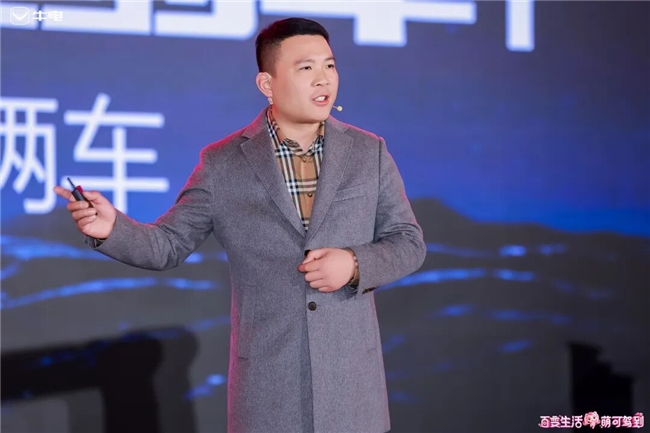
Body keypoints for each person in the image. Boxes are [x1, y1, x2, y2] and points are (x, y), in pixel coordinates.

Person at [54, 17, 426, 433]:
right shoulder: (223, 163)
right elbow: (168, 244)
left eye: (330, 65)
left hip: (352, 389)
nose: (323, 79)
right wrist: (112, 229)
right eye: (306, 68)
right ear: (267, 83)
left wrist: (354, 264)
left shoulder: (368, 152)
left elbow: (408, 242)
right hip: (268, 389)